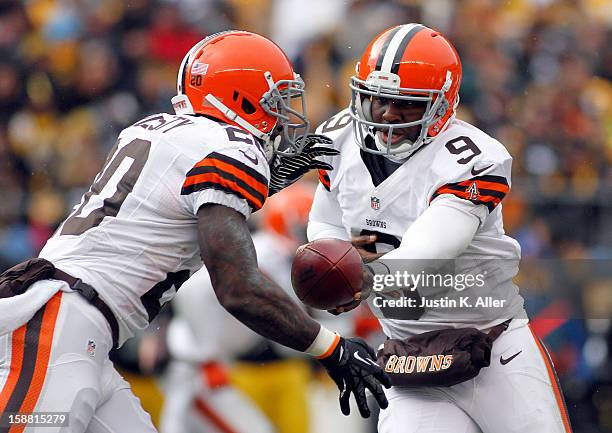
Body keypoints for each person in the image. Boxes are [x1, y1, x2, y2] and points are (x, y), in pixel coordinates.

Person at [0, 30, 390, 433]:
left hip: (79, 327)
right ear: (241, 96)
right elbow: (238, 289)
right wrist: (332, 350)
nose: (282, 116)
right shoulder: (232, 148)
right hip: (59, 327)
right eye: (275, 101)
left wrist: (266, 181)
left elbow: (173, 204)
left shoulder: (157, 129)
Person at [307, 23, 572, 433]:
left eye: (407, 105)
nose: (388, 114)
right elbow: (325, 221)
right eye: (378, 100)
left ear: (442, 106)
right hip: (413, 364)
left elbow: (427, 251)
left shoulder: (473, 157)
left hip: (495, 350)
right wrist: (331, 268)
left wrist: (358, 278)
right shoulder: (338, 139)